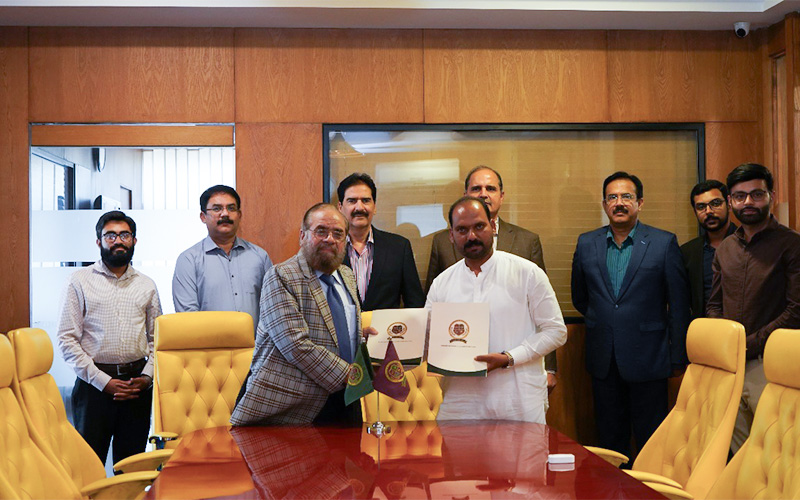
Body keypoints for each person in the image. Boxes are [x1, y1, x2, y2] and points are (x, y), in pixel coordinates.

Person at [571, 171, 690, 461]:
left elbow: (678, 303)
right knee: (610, 442)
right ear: (604, 204)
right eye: (612, 197)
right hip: (604, 360)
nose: (619, 202)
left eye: (626, 196)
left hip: (650, 359)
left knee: (652, 440)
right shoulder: (587, 243)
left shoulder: (663, 243)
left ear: (640, 203)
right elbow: (580, 297)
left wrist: (678, 358)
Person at [426, 197, 567, 423]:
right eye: (462, 229)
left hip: (517, 400)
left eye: (479, 226)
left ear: (493, 226)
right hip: (460, 402)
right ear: (451, 235)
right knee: (459, 460)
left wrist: (508, 358)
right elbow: (428, 338)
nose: (471, 236)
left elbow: (556, 331)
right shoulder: (442, 283)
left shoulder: (527, 273)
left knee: (521, 460)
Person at [231, 203, 365, 426]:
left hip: (347, 399)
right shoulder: (281, 276)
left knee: (352, 460)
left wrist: (359, 337)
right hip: (292, 408)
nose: (329, 239)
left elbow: (339, 330)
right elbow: (295, 346)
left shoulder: (347, 276)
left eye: (338, 233)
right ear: (302, 236)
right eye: (321, 231)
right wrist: (355, 376)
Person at [426, 165, 558, 387]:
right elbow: (430, 321)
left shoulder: (527, 243)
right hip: (461, 381)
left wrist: (549, 367)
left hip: (516, 381)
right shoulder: (442, 250)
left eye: (490, 188)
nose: (484, 194)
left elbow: (547, 320)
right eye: (476, 188)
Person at [707, 163, 800, 453]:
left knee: (774, 452)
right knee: (736, 454)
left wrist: (748, 344)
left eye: (756, 194)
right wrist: (725, 343)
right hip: (730, 366)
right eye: (739, 196)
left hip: (771, 366)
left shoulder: (792, 244)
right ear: (731, 201)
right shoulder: (725, 248)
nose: (748, 202)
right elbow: (714, 305)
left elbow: (796, 310)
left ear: (771, 195)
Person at [57, 211, 162, 464]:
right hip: (94, 388)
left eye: (124, 235)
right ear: (99, 242)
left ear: (134, 241)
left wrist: (147, 378)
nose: (118, 241)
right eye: (110, 235)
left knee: (132, 466)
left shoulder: (146, 285)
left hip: (137, 387)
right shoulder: (79, 281)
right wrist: (104, 381)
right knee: (89, 466)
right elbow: (67, 339)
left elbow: (158, 339)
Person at [172, 185, 272, 330]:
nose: (225, 214)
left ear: (239, 215)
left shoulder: (260, 257)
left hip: (254, 349)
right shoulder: (189, 260)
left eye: (231, 208)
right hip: (209, 350)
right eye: (217, 208)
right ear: (203, 217)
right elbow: (188, 316)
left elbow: (272, 308)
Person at [337, 173, 425, 310]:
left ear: (374, 206)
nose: (359, 207)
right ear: (340, 207)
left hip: (385, 331)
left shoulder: (399, 248)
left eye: (366, 200)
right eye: (352, 201)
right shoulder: (329, 248)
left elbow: (415, 303)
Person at [680, 180, 737, 320]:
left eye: (716, 203)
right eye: (701, 207)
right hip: (705, 333)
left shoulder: (748, 243)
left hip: (746, 332)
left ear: (729, 203)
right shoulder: (687, 252)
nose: (709, 211)